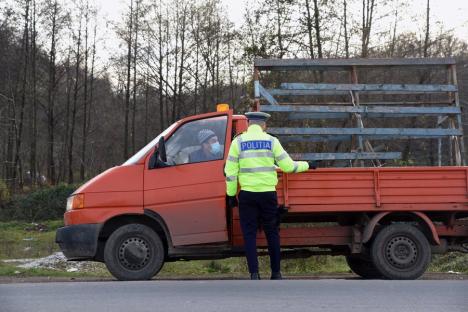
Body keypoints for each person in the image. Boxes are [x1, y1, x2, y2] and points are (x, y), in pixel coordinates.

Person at [224, 112, 315, 280]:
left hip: (247, 195)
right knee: (272, 233)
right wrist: (308, 165)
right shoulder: (272, 141)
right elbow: (288, 167)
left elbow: (230, 173)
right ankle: (276, 273)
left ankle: (254, 274)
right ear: (263, 125)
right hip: (268, 195)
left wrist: (230, 195)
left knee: (249, 235)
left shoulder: (237, 142)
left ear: (248, 124)